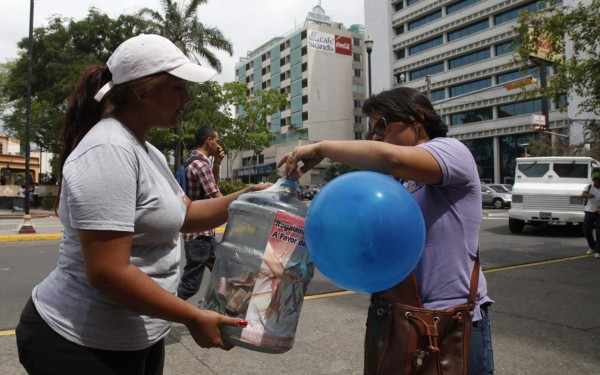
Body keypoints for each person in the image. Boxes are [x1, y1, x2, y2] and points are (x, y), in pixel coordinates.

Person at [15, 34, 270, 375]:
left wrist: (247, 196)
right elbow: (108, 271)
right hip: (80, 344)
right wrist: (192, 316)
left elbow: (186, 214)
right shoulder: (108, 150)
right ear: (140, 90)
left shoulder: (148, 152)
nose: (188, 98)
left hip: (138, 339)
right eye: (178, 87)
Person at [278, 87, 495, 374]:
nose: (376, 137)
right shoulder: (394, 181)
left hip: (450, 323)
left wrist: (321, 148)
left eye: (381, 125)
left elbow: (388, 157)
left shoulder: (451, 152)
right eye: (371, 132)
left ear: (417, 119)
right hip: (394, 318)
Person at [177, 127, 224, 302]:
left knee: (221, 274)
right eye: (217, 140)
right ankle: (164, 313)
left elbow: (212, 187)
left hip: (204, 234)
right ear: (209, 141)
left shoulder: (193, 159)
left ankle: (216, 308)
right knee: (190, 285)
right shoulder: (200, 164)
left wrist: (218, 164)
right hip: (199, 235)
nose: (218, 145)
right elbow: (216, 196)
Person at [581, 168, 600, 258]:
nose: (596, 181)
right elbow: (583, 195)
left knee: (599, 232)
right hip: (589, 211)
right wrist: (589, 195)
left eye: (598, 179)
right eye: (595, 179)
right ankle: (592, 246)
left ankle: (598, 251)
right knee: (586, 231)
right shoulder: (589, 187)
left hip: (599, 213)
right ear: (592, 179)